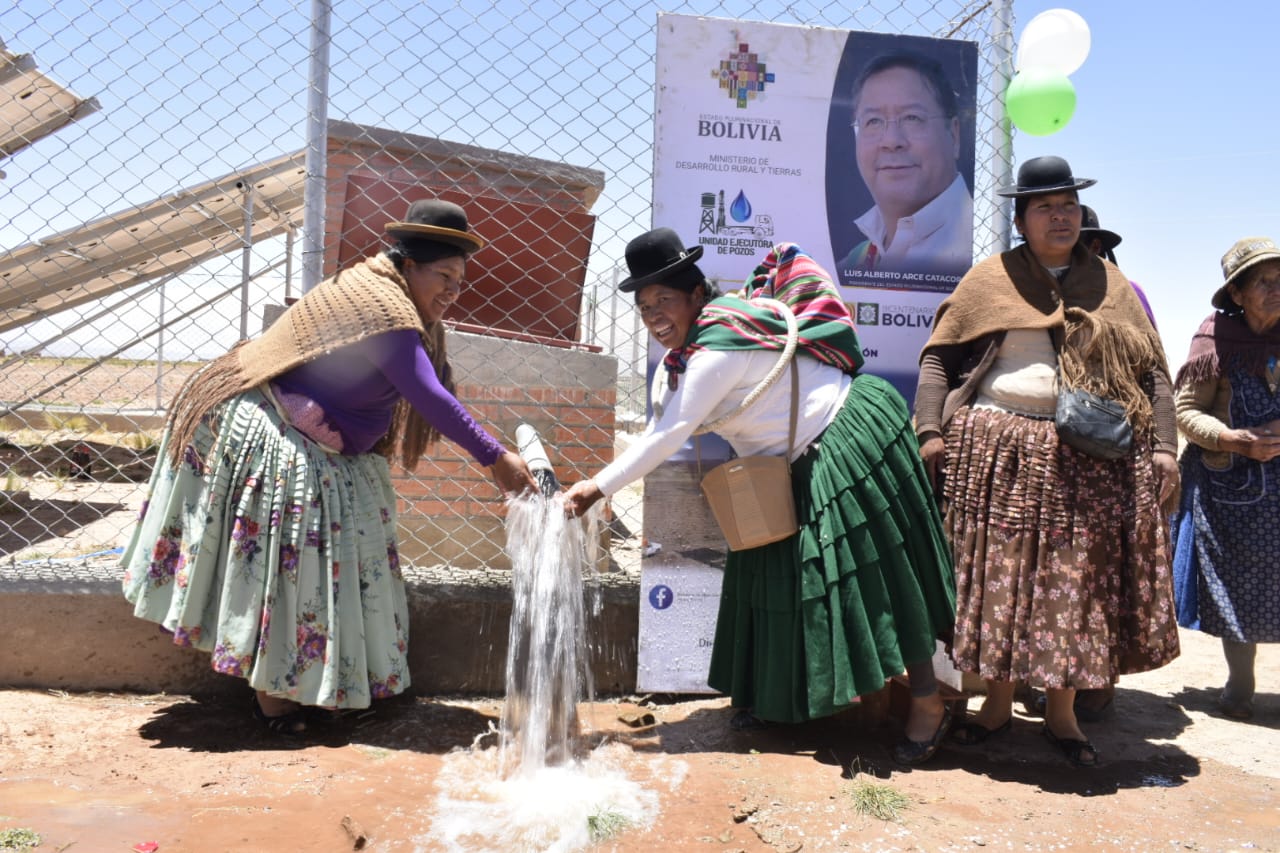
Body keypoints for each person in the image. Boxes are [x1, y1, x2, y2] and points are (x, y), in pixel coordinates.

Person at [120, 199, 536, 734]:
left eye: (461, 281)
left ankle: (327, 688)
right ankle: (274, 702)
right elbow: (428, 396)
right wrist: (495, 458)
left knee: (350, 565)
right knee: (290, 565)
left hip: (328, 444)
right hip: (277, 432)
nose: (454, 291)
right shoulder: (380, 307)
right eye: (445, 277)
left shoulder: (398, 300)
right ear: (409, 265)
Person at [563, 228, 957, 765]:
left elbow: (666, 435)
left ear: (697, 296)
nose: (655, 315)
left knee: (877, 579)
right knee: (770, 573)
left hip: (845, 439)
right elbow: (667, 414)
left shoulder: (716, 350)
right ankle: (779, 701)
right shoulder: (694, 348)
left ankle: (928, 705)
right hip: (789, 461)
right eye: (644, 306)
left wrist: (596, 487)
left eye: (665, 300)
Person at [914, 156, 1181, 767]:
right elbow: (937, 360)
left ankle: (1061, 716)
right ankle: (997, 706)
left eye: (1068, 206)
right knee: (1000, 584)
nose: (1060, 217)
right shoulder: (988, 280)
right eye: (1045, 207)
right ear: (1021, 219)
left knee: (1073, 587)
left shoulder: (1112, 287)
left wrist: (1164, 448)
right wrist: (931, 432)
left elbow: (1155, 377)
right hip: (998, 455)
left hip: (1088, 462)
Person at [1170, 236, 1280, 721]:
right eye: (1264, 282)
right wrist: (1233, 438)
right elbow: (1187, 411)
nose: (1277, 290)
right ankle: (1242, 681)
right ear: (1237, 293)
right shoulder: (1215, 336)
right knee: (1238, 582)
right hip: (1229, 483)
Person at [839, 51, 973, 275]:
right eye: (873, 121)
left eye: (912, 118)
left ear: (954, 135)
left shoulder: (980, 250)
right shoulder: (853, 263)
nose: (891, 141)